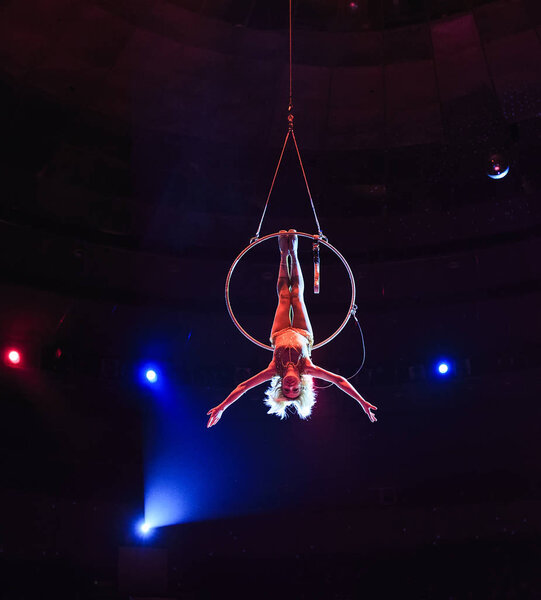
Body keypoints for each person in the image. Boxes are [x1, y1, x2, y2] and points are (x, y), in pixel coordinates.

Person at [207, 230, 377, 427]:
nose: (290, 388)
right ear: (301, 386)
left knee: (283, 296)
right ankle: (294, 253)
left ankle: (282, 254)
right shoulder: (307, 368)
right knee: (296, 294)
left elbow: (244, 386)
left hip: (279, 333)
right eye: (295, 390)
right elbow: (339, 381)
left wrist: (222, 407)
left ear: (281, 387)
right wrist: (361, 401)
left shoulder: (273, 370)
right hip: (303, 333)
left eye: (286, 391)